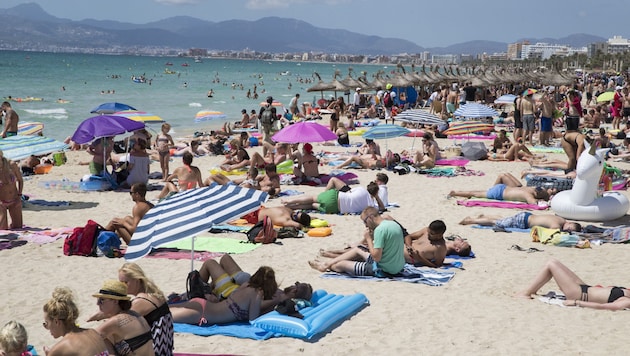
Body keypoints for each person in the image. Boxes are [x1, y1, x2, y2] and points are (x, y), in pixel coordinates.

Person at [308, 206, 405, 277]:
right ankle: (326, 264)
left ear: (370, 218)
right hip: (397, 266)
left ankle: (326, 265)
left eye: (365, 222)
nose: (365, 225)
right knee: (358, 249)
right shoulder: (393, 224)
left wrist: (368, 238)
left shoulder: (380, 230)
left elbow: (376, 257)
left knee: (339, 265)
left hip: (383, 269)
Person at [169, 265, 279, 325]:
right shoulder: (256, 293)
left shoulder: (246, 285)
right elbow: (253, 319)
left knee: (162, 310)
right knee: (162, 317)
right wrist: (274, 302)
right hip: (203, 314)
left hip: (202, 304)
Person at [104, 263, 174, 355]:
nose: (122, 286)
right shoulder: (153, 295)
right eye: (120, 283)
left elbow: (118, 319)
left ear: (137, 280)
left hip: (155, 352)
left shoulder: (140, 301)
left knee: (109, 331)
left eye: (125, 282)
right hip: (165, 350)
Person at [516, 258, 630, 310]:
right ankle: (531, 291)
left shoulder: (627, 301)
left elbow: (605, 306)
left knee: (551, 264)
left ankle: (526, 293)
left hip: (579, 295)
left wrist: (575, 302)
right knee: (554, 262)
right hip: (585, 287)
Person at [42, 287, 115, 356]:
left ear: (56, 322)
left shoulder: (61, 347)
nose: (46, 327)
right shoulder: (93, 332)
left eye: (46, 324)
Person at [92, 280, 155, 355]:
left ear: (115, 301)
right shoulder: (134, 314)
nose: (97, 303)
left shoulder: (115, 321)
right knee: (105, 337)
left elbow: (88, 340)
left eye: (102, 300)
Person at [282, 178, 384, 214]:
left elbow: (349, 192)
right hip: (335, 208)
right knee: (312, 205)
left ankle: (290, 201)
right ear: (375, 193)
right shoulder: (370, 205)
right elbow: (382, 208)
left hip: (335, 197)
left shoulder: (361, 189)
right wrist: (377, 197)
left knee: (313, 198)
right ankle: (293, 207)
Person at [448, 172, 553, 204]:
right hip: (500, 192)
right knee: (475, 193)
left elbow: (534, 201)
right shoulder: (529, 194)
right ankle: (455, 193)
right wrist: (543, 201)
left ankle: (456, 192)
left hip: (503, 189)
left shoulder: (531, 191)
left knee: (476, 192)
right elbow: (534, 204)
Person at [459, 212, 581, 232]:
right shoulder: (558, 225)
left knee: (503, 220)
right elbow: (554, 232)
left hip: (527, 216)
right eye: (570, 229)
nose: (568, 230)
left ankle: (484, 216)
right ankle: (470, 220)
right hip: (523, 221)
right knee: (497, 223)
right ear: (570, 224)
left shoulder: (561, 219)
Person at [0, 151, 22, 229]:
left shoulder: (11, 165)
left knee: (18, 227)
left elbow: (20, 180)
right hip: (1, 202)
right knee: (3, 230)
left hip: (14, 199)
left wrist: (19, 195)